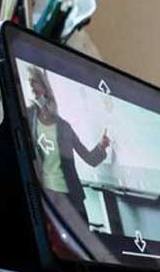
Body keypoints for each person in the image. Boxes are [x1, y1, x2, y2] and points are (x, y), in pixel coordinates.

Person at [25, 65, 110, 224]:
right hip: (47, 198)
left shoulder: (64, 126)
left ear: (44, 87)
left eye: (34, 82)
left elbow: (90, 159)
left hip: (72, 199)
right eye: (29, 82)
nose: (30, 86)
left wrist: (101, 146)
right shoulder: (29, 118)